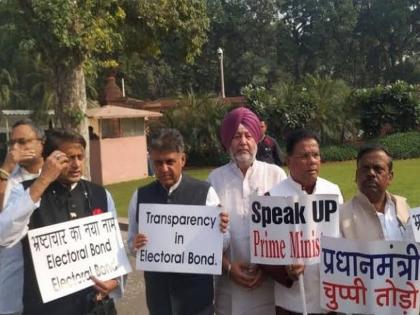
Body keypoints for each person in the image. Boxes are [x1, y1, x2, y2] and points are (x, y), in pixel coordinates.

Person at [0, 129, 122, 315]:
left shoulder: (100, 194)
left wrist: (115, 280)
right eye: (67, 159)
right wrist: (43, 181)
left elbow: (114, 247)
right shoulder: (24, 191)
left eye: (80, 157)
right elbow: (4, 235)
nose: (76, 164)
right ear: (50, 159)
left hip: (96, 307)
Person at [128, 128, 229, 315]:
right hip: (159, 299)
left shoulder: (205, 192)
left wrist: (221, 230)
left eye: (170, 162)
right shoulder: (140, 196)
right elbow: (132, 244)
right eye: (158, 163)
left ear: (182, 160)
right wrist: (135, 245)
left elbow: (223, 244)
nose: (164, 168)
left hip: (197, 300)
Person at [208, 107, 287, 315]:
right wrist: (228, 267)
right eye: (236, 136)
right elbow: (205, 235)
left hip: (269, 284)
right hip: (228, 284)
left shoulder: (275, 175)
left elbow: (288, 230)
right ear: (227, 142)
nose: (243, 141)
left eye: (248, 135)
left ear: (257, 140)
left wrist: (267, 267)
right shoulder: (214, 180)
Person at [264, 129, 343, 315]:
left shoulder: (333, 191)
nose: (312, 161)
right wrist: (285, 270)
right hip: (292, 303)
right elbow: (262, 250)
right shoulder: (273, 197)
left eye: (316, 155)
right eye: (304, 156)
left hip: (330, 300)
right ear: (288, 159)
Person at [0, 119, 44, 315]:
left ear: (41, 142)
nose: (16, 148)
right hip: (15, 278)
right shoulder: (6, 178)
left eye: (23, 141)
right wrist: (6, 169)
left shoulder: (59, 175)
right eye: (12, 143)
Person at [340, 144, 411, 241]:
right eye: (365, 169)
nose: (371, 173)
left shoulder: (402, 206)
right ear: (357, 176)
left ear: (390, 177)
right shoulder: (341, 216)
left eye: (378, 169)